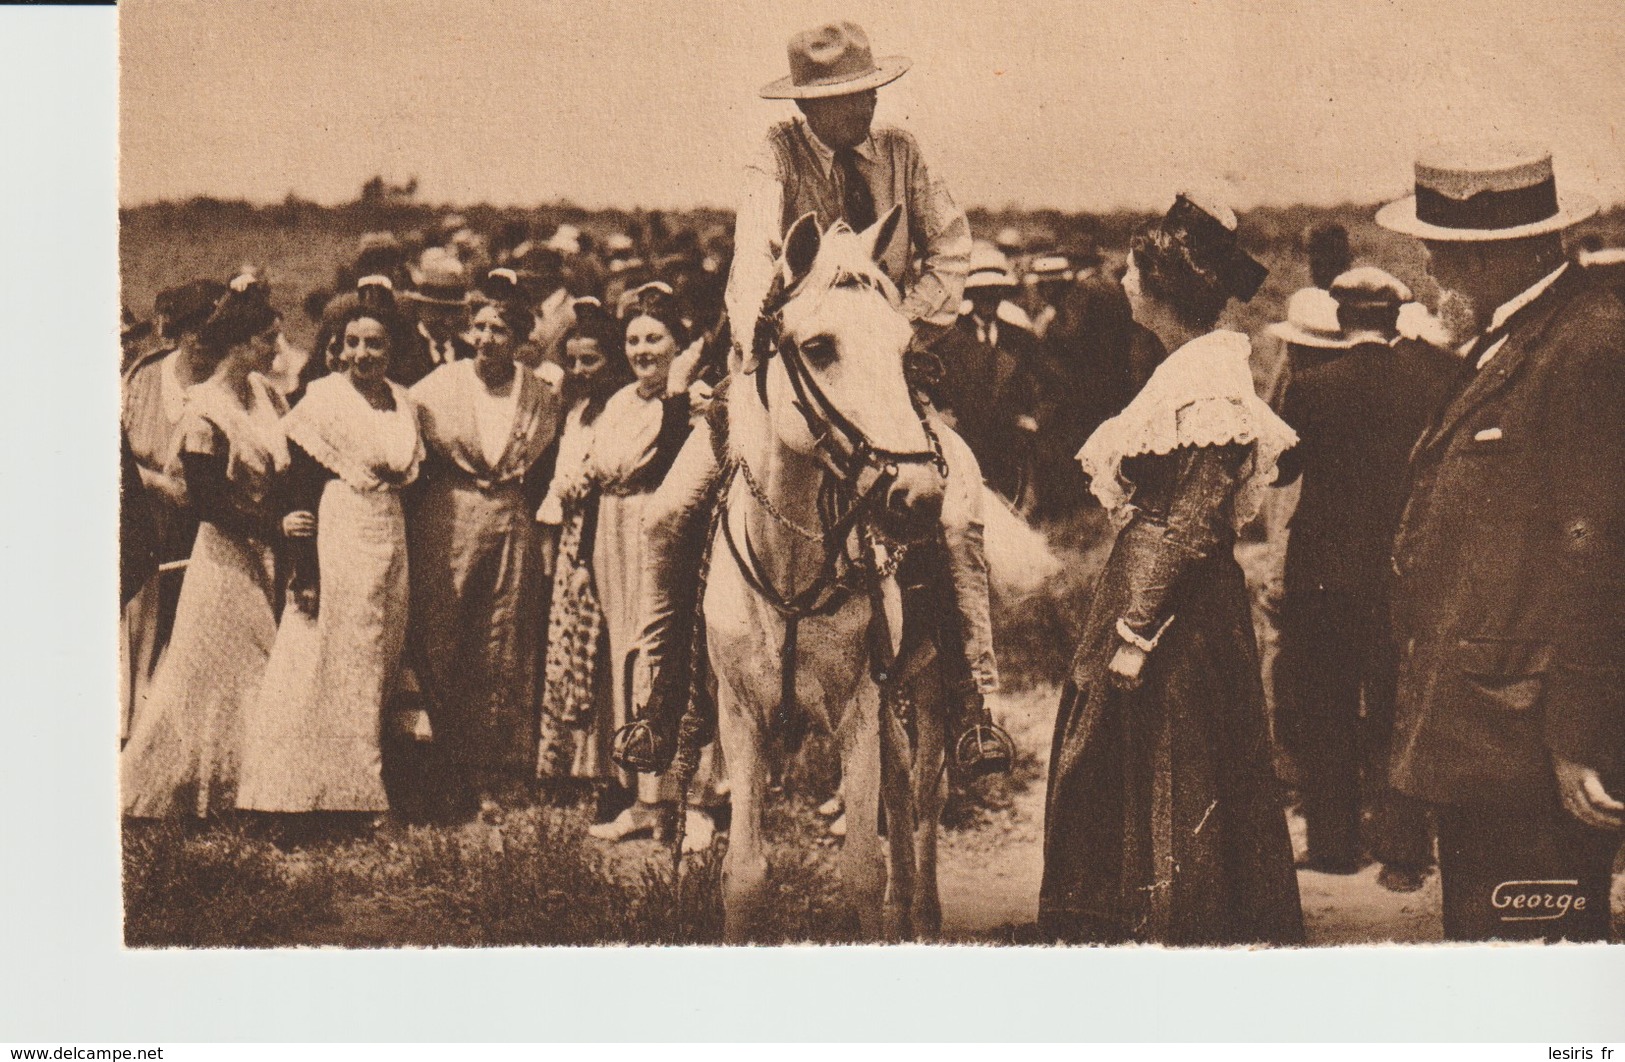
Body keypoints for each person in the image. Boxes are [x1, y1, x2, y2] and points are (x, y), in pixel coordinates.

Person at [615, 20, 1007, 779]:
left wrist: (892, 324)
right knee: (668, 515)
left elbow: (951, 251)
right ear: (804, 105)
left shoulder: (903, 152)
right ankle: (661, 704)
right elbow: (754, 258)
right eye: (835, 98)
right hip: (786, 367)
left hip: (886, 370)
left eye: (863, 92)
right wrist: (798, 331)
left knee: (954, 517)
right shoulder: (774, 153)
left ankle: (974, 705)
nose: (855, 109)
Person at [1039, 193, 1305, 945]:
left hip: (1170, 615)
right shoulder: (1188, 372)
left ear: (1160, 285)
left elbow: (1183, 521)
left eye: (1131, 270)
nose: (1123, 283)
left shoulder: (1204, 385)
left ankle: (1168, 941)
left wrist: (1132, 631)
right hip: (1178, 600)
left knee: (1164, 764)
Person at [1378, 143, 1624, 941]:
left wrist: (1578, 739)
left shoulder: (1587, 345)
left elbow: (1597, 556)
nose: (1428, 262)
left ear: (1499, 253)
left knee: (1529, 963)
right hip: (1490, 734)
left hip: (1531, 742)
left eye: (1442, 248)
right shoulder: (1525, 334)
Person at [1268, 267, 1457, 892]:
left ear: (1342, 318)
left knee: (1326, 707)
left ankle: (1333, 845)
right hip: (1406, 569)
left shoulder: (1314, 386)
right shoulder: (1433, 377)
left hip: (1324, 570)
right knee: (1398, 705)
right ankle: (1403, 847)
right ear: (1395, 316)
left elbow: (1281, 471)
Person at [236, 297, 424, 817]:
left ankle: (364, 778)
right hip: (339, 529)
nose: (363, 354)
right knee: (335, 654)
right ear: (337, 348)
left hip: (389, 529)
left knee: (381, 652)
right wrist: (306, 570)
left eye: (376, 343)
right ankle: (320, 793)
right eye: (353, 343)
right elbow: (298, 487)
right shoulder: (322, 400)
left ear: (392, 348)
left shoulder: (403, 401)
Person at [122, 279, 291, 818]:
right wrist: (276, 526)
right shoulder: (206, 410)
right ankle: (184, 789)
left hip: (265, 555)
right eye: (268, 339)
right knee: (226, 667)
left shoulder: (266, 395)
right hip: (224, 557)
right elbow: (207, 501)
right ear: (239, 344)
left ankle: (245, 787)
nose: (276, 350)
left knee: (255, 667)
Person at [408, 291, 560, 819]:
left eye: (498, 329)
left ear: (519, 341)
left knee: (501, 641)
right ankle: (435, 774)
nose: (485, 339)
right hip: (448, 515)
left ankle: (490, 773)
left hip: (511, 519)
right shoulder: (438, 386)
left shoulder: (541, 395)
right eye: (479, 327)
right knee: (441, 633)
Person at [583, 288, 721, 848]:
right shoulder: (618, 402)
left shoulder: (693, 401)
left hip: (664, 532)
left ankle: (694, 800)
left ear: (678, 345)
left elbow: (668, 465)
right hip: (614, 532)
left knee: (673, 656)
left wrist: (679, 394)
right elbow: (601, 471)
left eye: (654, 338)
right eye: (634, 339)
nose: (642, 349)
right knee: (626, 657)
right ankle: (643, 798)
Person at [119, 278, 229, 742]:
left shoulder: (232, 386)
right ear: (184, 334)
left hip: (201, 536)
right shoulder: (144, 377)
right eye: (205, 334)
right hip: (141, 530)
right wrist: (157, 483)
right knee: (137, 639)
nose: (213, 346)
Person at [535, 300, 633, 789]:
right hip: (570, 531)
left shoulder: (620, 409)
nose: (579, 370)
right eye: (572, 361)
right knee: (567, 643)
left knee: (600, 644)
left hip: (604, 529)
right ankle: (570, 764)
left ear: (611, 361)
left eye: (590, 360)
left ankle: (608, 767)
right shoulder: (574, 411)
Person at [930, 246, 1042, 504]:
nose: (989, 300)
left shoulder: (1020, 337)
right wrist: (940, 414)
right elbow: (932, 386)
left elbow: (1040, 384)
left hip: (1009, 442)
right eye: (982, 294)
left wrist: (1033, 417)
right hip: (964, 439)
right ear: (971, 294)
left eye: (995, 293)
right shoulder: (949, 337)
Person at [397, 248, 474, 386]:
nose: (448, 321)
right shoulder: (402, 352)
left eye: (454, 311)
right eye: (439, 311)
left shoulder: (469, 354)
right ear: (420, 308)